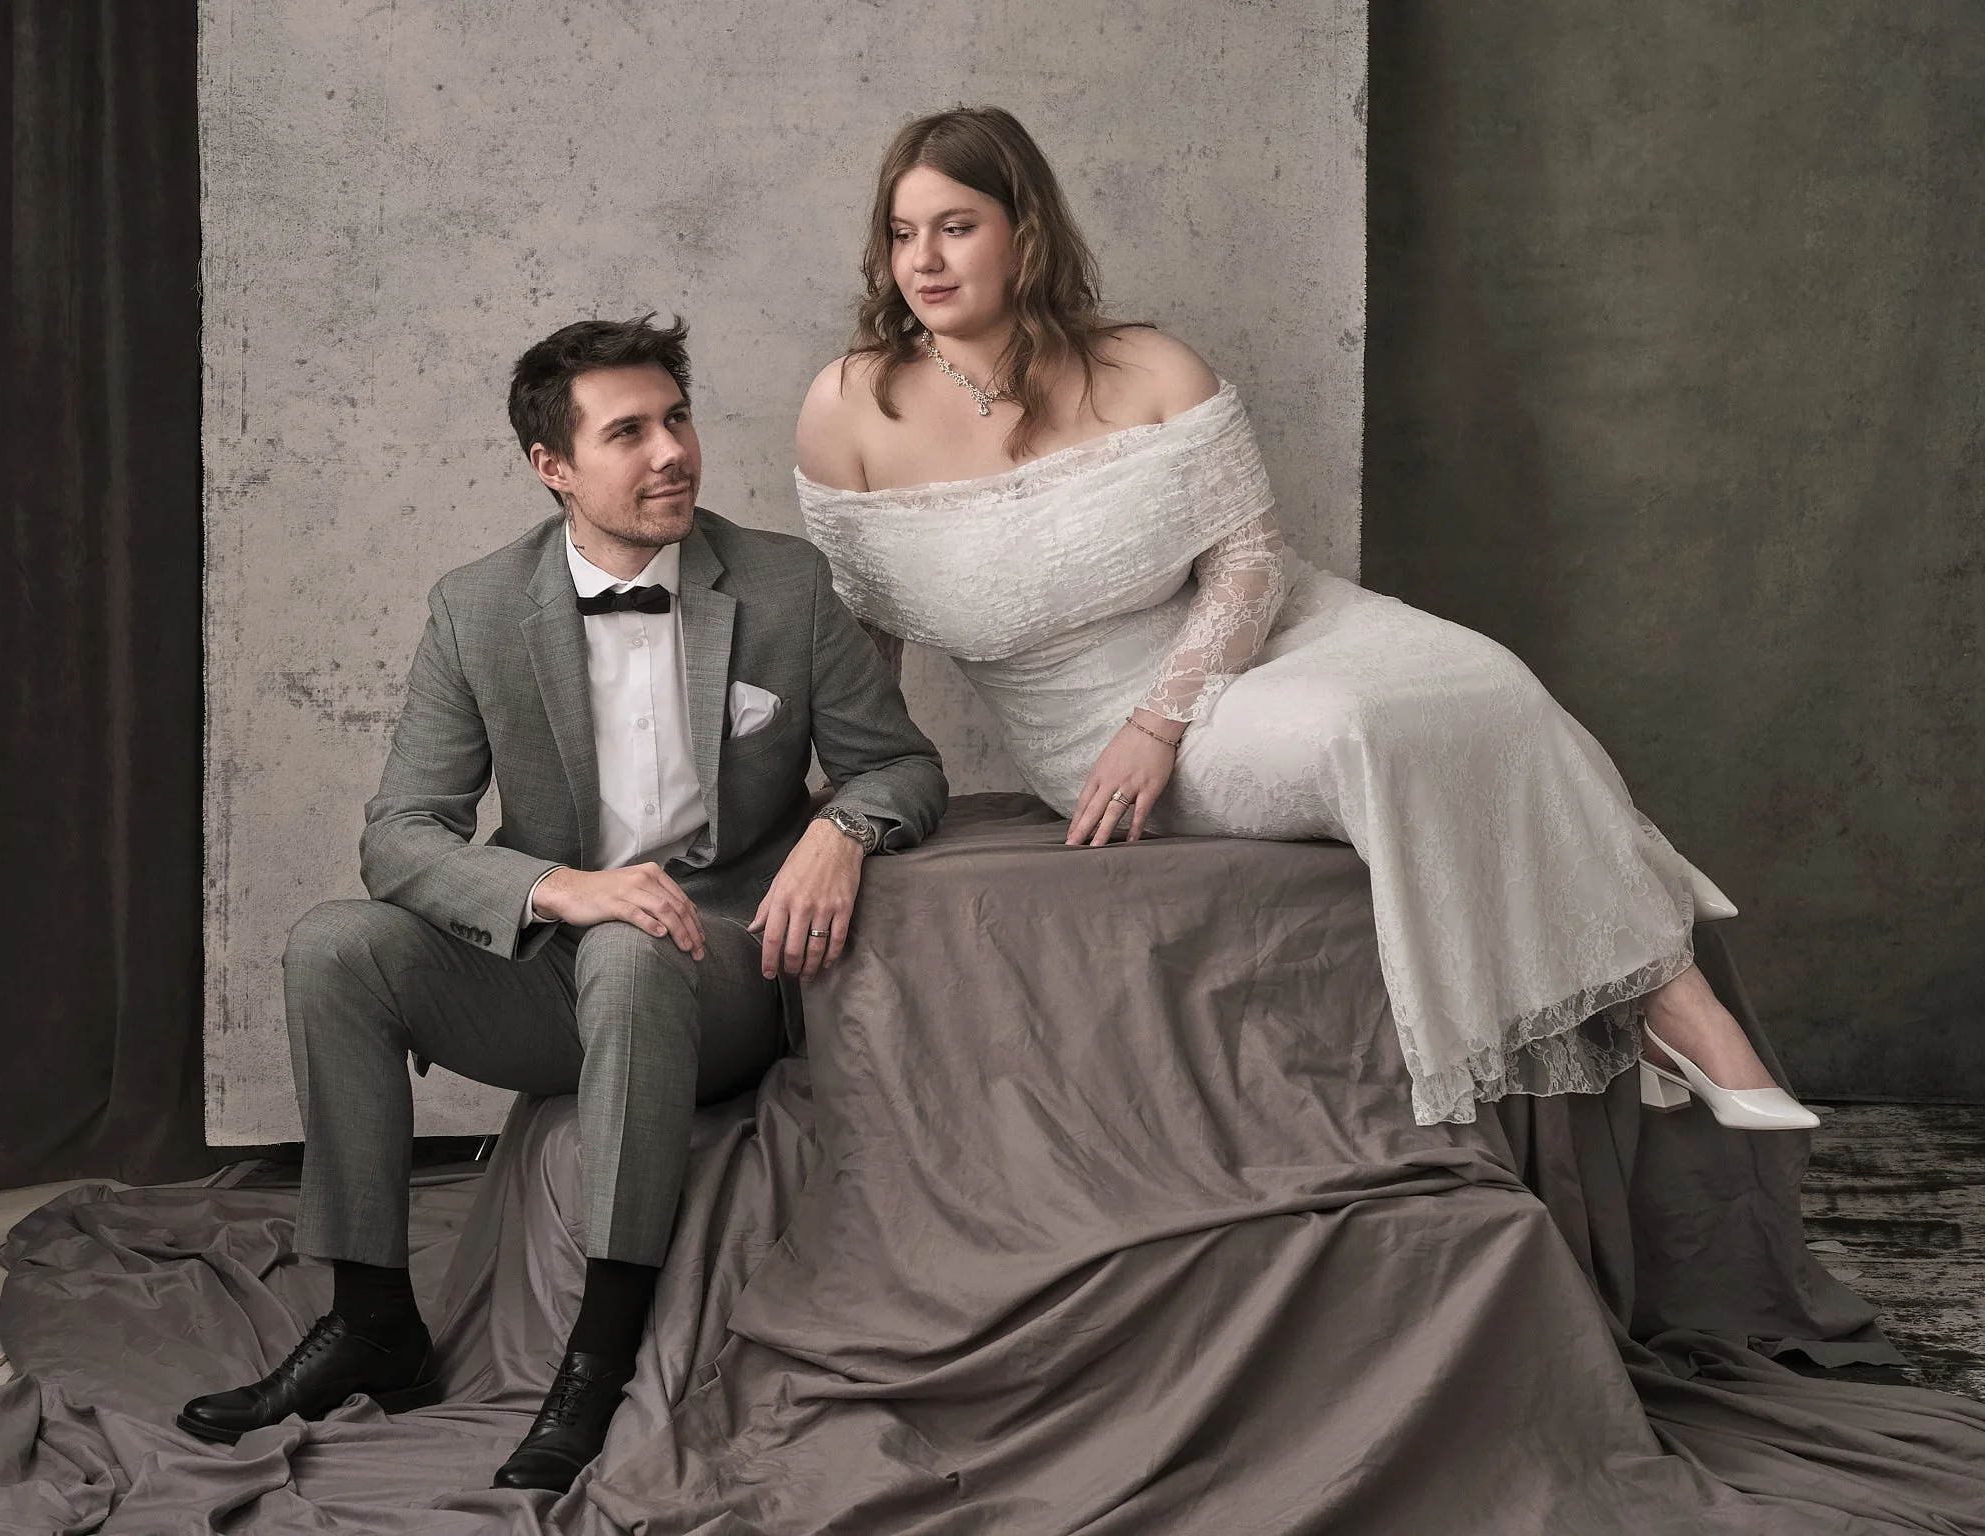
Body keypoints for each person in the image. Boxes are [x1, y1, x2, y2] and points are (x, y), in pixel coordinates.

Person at [794, 106, 1815, 1135]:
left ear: (1025, 232)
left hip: (1281, 628)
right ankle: (1673, 1016)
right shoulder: (850, 408)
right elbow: (854, 630)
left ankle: (1667, 1001)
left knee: (1495, 683)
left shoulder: (1150, 366)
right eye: (901, 233)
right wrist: (845, 807)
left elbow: (1248, 562)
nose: (922, 261)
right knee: (1355, 732)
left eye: (956, 227)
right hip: (1092, 723)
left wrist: (1162, 717)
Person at [177, 316, 947, 1492]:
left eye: (675, 419)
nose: (671, 452)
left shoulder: (781, 584)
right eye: (627, 433)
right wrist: (558, 888)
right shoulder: (479, 606)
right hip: (554, 964)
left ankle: (599, 1351)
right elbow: (400, 836)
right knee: (334, 947)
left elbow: (899, 765)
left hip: (725, 964)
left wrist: (841, 830)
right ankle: (369, 1316)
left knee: (633, 950)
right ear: (553, 467)